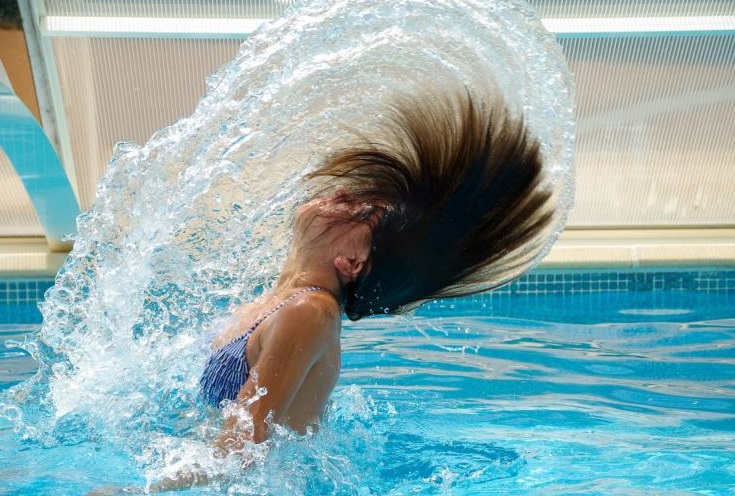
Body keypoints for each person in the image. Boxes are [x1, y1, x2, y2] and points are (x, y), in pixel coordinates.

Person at [140, 88, 554, 492]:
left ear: (352, 262)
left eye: (361, 211)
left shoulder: (309, 314)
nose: (339, 193)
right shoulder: (274, 304)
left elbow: (241, 450)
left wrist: (138, 493)